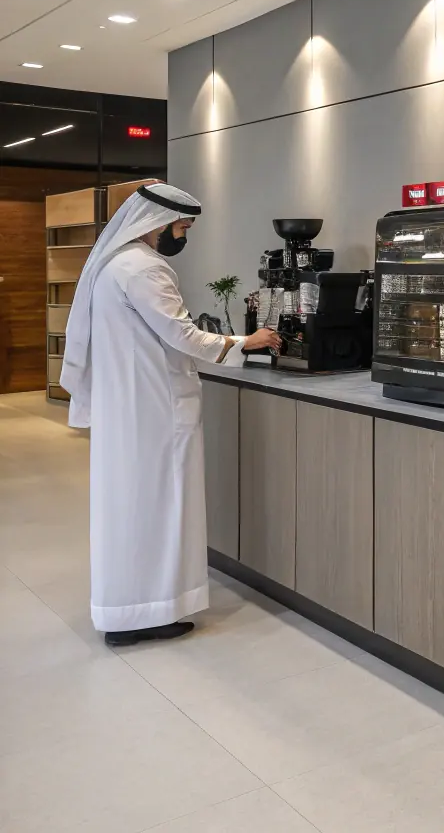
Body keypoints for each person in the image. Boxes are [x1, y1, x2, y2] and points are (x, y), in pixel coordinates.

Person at [61, 184, 282, 647]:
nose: (184, 237)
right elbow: (183, 335)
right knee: (161, 509)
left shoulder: (115, 265)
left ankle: (130, 611)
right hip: (154, 410)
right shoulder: (143, 269)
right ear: (156, 224)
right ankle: (146, 612)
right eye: (181, 228)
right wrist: (246, 343)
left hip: (131, 409)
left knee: (132, 510)